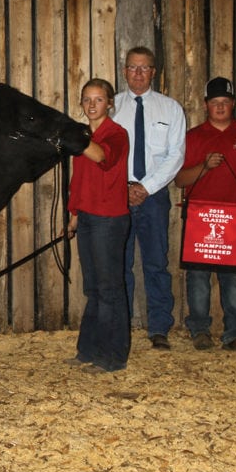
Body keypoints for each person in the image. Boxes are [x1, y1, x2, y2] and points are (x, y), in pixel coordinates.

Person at [173, 77, 236, 352]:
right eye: (215, 102)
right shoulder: (192, 137)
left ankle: (234, 334)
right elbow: (180, 180)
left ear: (233, 104)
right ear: (205, 105)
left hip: (234, 218)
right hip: (200, 218)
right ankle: (200, 331)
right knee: (198, 277)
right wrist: (204, 167)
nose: (220, 107)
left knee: (232, 279)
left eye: (225, 102)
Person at [113, 47, 186, 350]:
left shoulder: (170, 109)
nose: (138, 74)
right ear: (125, 70)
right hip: (118, 196)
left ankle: (159, 328)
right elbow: (104, 154)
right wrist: (124, 189)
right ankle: (122, 326)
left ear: (154, 72)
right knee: (120, 264)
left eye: (145, 68)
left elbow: (176, 155)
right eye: (133, 68)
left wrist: (145, 187)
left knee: (156, 263)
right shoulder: (112, 107)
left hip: (154, 197)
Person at [64, 78, 130, 373]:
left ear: (110, 103)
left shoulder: (116, 134)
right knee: (93, 288)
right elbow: (79, 179)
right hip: (88, 216)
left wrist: (75, 138)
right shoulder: (82, 135)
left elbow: (102, 157)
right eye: (87, 99)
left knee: (109, 288)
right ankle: (87, 350)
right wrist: (74, 213)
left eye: (98, 99)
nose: (92, 105)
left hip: (109, 218)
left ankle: (112, 357)